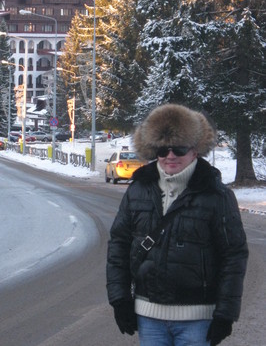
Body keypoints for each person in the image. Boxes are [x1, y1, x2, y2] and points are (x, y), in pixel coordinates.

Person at [106, 104, 248, 346]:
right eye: (163, 149)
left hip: (198, 319)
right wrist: (119, 300)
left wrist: (225, 314)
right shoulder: (138, 190)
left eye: (179, 148)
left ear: (195, 150)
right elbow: (119, 246)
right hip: (149, 318)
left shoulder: (216, 195)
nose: (170, 156)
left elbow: (233, 256)